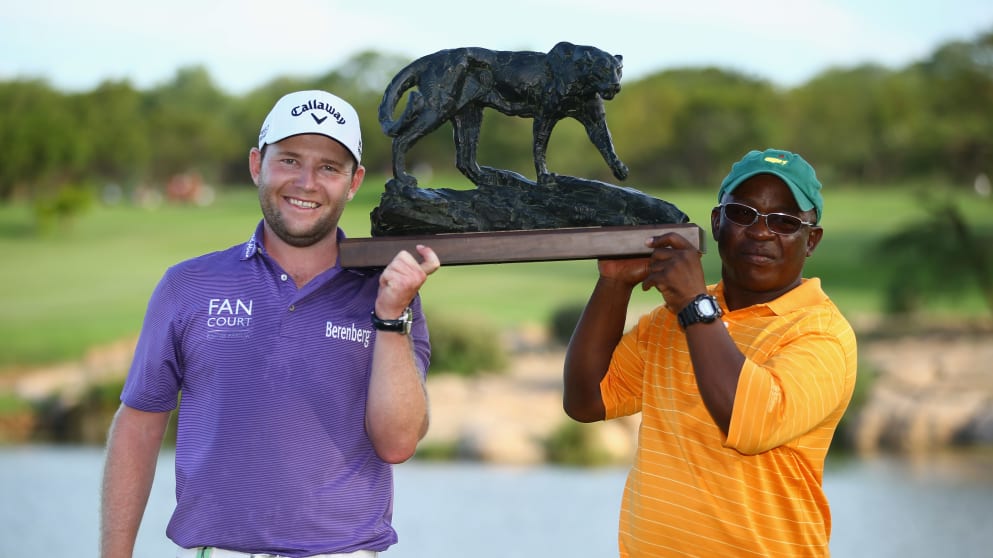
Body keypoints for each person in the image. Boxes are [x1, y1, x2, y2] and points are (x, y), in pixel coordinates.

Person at [100, 90, 440, 558]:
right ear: (257, 164)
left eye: (329, 168)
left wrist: (390, 316)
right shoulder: (188, 285)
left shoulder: (389, 292)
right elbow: (138, 426)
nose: (307, 182)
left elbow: (398, 442)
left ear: (354, 181)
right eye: (290, 160)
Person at [563, 148, 857, 557]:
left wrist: (693, 303)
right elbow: (586, 400)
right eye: (743, 214)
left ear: (812, 241)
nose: (760, 232)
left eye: (785, 222)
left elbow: (748, 423)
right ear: (717, 223)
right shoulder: (671, 319)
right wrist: (614, 284)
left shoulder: (821, 335)